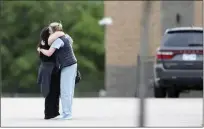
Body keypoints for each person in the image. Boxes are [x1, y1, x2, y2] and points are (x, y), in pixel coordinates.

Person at [37, 22, 77, 120]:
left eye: (50, 31)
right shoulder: (66, 37)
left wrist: (40, 49)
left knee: (65, 91)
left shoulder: (58, 41)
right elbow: (71, 42)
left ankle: (67, 114)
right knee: (68, 91)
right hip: (72, 64)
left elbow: (49, 53)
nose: (49, 33)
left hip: (67, 66)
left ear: (53, 31)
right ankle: (67, 113)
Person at [37, 27, 60, 120]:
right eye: (51, 32)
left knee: (53, 91)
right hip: (49, 70)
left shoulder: (42, 44)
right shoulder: (47, 44)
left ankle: (53, 112)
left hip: (49, 69)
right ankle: (49, 113)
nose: (53, 33)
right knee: (51, 91)